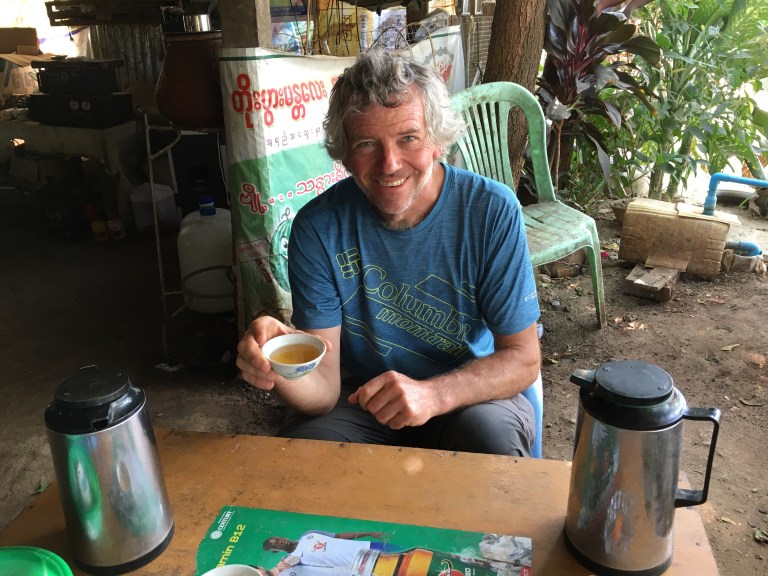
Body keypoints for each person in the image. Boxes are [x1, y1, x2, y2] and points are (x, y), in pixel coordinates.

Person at [237, 46, 541, 456]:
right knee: (305, 455)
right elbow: (323, 389)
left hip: (468, 395)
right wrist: (278, 366)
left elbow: (523, 358)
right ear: (345, 155)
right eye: (366, 143)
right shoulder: (319, 228)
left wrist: (432, 395)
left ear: (437, 141)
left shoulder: (490, 211)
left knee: (491, 438)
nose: (390, 164)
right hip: (364, 400)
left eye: (408, 138)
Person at [263, 531, 399, 569]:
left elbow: (339, 536)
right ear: (276, 550)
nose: (281, 542)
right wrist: (283, 566)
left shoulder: (309, 534)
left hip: (368, 547)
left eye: (279, 539)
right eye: (277, 544)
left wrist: (368, 533)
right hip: (364, 565)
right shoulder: (294, 560)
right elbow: (289, 564)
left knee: (406, 552)